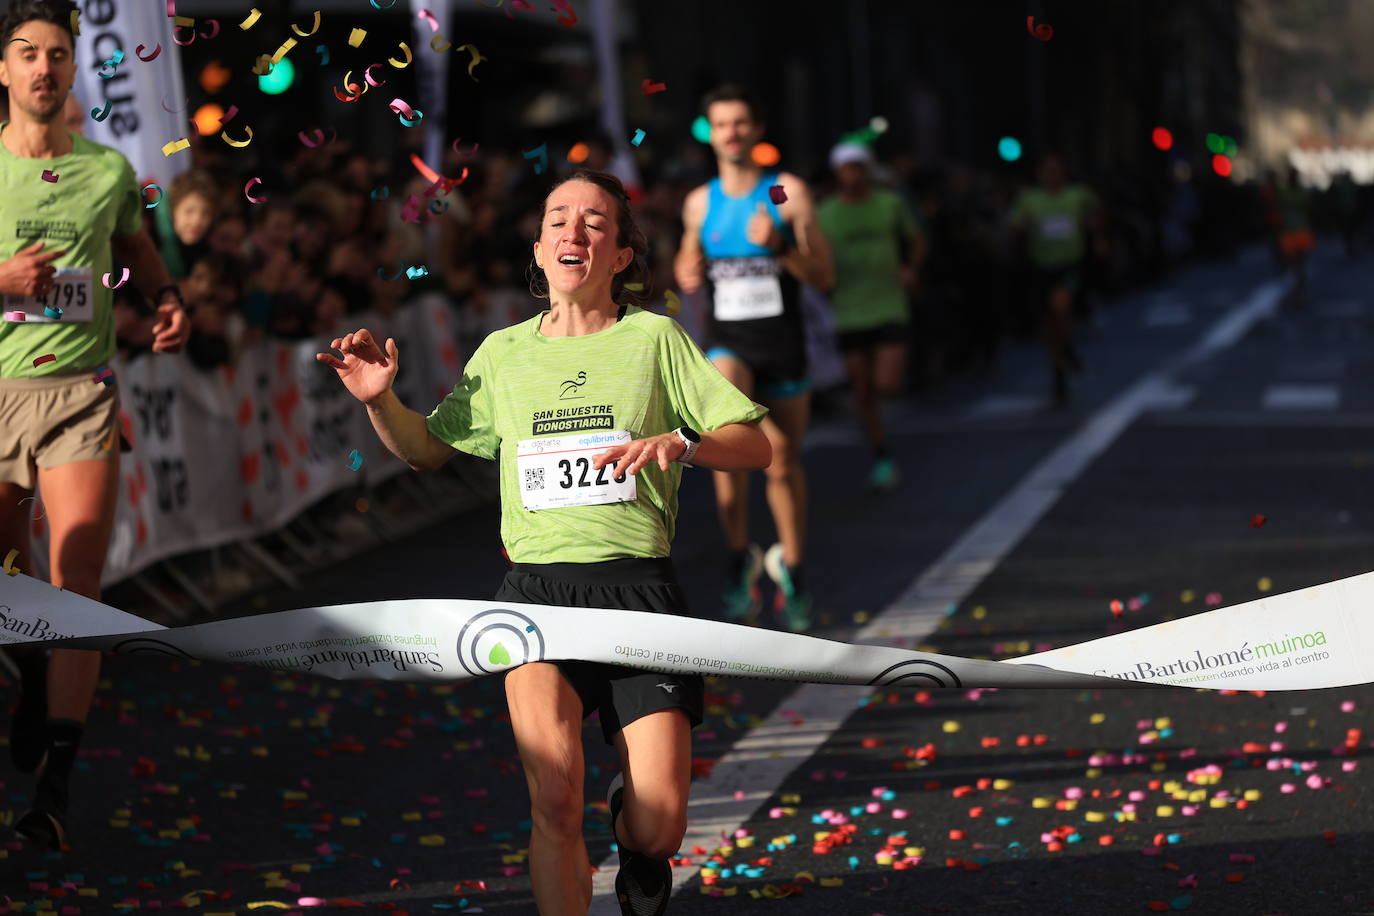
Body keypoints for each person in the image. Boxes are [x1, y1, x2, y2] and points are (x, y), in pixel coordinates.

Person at [319, 168, 770, 916]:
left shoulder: (654, 336)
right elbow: (429, 451)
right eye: (559, 218)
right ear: (537, 249)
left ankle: (636, 841)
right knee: (555, 798)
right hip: (535, 598)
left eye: (596, 222)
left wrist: (682, 443)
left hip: (640, 594)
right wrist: (381, 402)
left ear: (621, 255)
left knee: (660, 826)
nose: (575, 231)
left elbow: (754, 445)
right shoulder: (503, 353)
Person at [0, 0, 190, 849]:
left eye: (59, 55)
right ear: (3, 71)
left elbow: (135, 243)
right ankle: (32, 667)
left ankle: (56, 785)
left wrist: (167, 296)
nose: (45, 68)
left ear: (75, 71)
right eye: (27, 54)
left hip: (80, 390)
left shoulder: (107, 171)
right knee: (12, 579)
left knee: (78, 584)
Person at [674, 85, 833, 631]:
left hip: (783, 345)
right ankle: (739, 554)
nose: (733, 133)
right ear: (710, 133)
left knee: (784, 463)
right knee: (729, 442)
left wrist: (782, 247)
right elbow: (687, 260)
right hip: (728, 342)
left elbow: (824, 274)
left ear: (757, 128)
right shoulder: (699, 201)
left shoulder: (784, 192)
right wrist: (686, 268)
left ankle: (794, 567)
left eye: (741, 123)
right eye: (722, 125)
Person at [816, 142, 923, 489]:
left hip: (888, 303)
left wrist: (911, 267)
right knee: (863, 392)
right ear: (837, 173)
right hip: (848, 310)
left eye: (859, 167)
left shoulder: (889, 203)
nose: (853, 174)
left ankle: (884, 431)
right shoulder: (826, 212)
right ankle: (882, 452)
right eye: (847, 168)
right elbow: (815, 252)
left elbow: (917, 238)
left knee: (886, 383)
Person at [1008, 153, 1103, 407]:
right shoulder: (1029, 199)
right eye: (1046, 169)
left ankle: (1066, 349)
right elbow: (1014, 228)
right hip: (1040, 265)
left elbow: (1095, 217)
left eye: (1055, 169)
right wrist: (1021, 227)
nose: (1051, 174)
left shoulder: (1078, 195)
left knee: (1061, 308)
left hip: (1069, 263)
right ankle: (1059, 366)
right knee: (1048, 322)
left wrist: (1097, 235)